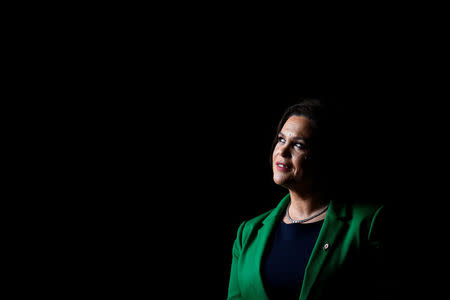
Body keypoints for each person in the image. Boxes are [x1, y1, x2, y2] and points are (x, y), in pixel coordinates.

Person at [227, 99, 388, 300]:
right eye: (281, 139)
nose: (282, 152)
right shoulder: (248, 232)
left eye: (298, 145)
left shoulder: (368, 224)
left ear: (325, 156)